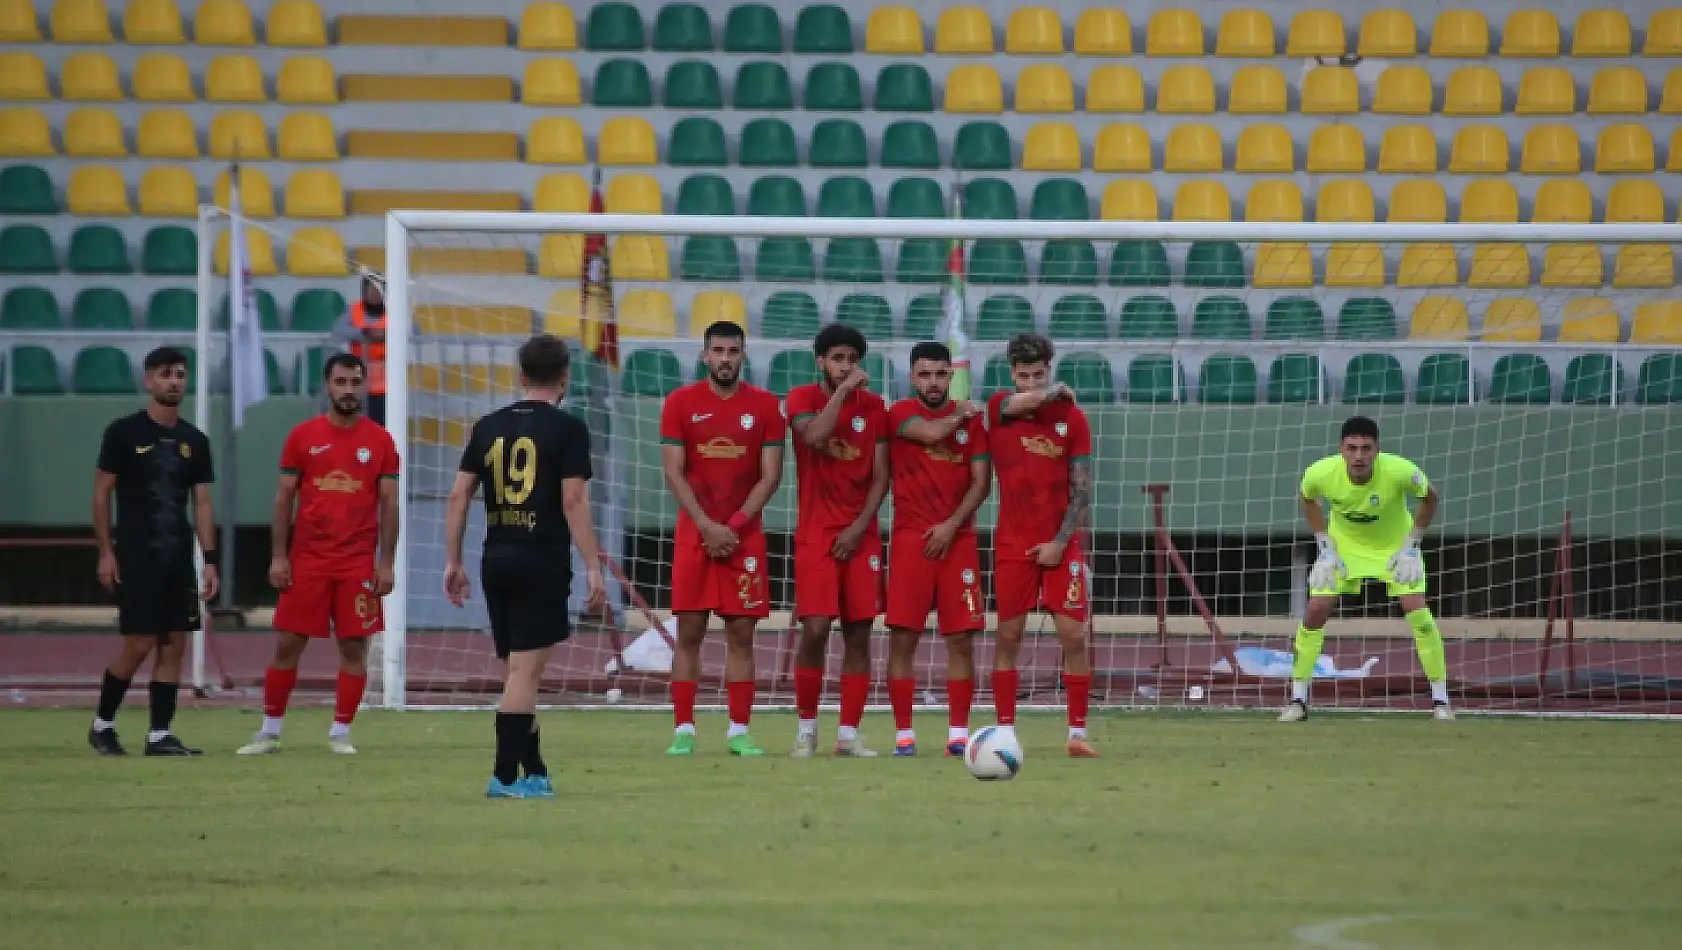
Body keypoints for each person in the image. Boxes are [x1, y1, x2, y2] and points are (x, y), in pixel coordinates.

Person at [443, 335, 606, 798]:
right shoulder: (568, 429)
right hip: (541, 559)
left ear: (520, 376)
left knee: (516, 670)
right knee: (524, 675)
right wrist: (593, 566)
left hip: (496, 557)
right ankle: (505, 776)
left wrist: (453, 560)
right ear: (565, 376)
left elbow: (458, 495)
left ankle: (534, 769)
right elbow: (572, 499)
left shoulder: (487, 426)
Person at [238, 353, 399, 756]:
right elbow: (283, 500)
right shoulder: (302, 436)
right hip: (308, 559)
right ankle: (269, 730)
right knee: (288, 643)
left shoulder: (380, 440)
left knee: (354, 647)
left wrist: (385, 563)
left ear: (365, 386)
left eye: (355, 382)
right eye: (340, 382)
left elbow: (390, 505)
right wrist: (279, 556)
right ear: (328, 386)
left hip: (357, 561)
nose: (348, 390)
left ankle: (340, 733)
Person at [659, 321, 785, 756]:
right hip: (695, 533)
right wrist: (707, 525)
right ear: (704, 355)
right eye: (718, 350)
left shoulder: (766, 406)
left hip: (743, 537)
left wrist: (732, 526)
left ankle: (738, 730)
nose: (726, 358)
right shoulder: (679, 403)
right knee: (689, 632)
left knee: (741, 634)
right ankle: (684, 729)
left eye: (733, 350)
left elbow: (771, 476)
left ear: (744, 355)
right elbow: (673, 472)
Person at [89, 346, 218, 756]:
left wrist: (210, 560)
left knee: (174, 641)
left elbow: (201, 504)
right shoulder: (123, 433)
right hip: (137, 553)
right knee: (139, 643)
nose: (174, 381)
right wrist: (106, 552)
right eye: (165, 374)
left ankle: (159, 734)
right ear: (148, 381)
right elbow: (100, 494)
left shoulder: (194, 441)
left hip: (177, 555)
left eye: (180, 374)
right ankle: (102, 724)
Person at [1285, 416, 1452, 722]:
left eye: (1366, 448)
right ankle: (1298, 699)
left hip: (1394, 549)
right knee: (1316, 608)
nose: (1359, 456)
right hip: (1344, 549)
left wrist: (1412, 545)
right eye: (1352, 448)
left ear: (1377, 450)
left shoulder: (1401, 471)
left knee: (1417, 611)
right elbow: (1308, 499)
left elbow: (1430, 498)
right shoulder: (1320, 473)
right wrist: (1324, 544)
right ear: (1341, 449)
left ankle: (1441, 702)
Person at [986, 334, 1097, 758]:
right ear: (1012, 375)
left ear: (1049, 368)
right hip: (1013, 543)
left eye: (1039, 374)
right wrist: (1048, 392)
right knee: (1008, 637)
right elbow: (1020, 403)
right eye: (1023, 375)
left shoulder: (1072, 417)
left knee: (1073, 635)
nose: (1031, 382)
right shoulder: (1000, 409)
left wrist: (1058, 542)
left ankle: (1077, 732)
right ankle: (1004, 732)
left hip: (1060, 545)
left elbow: (1083, 491)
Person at [784, 325, 890, 758]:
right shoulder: (801, 399)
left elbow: (881, 477)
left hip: (860, 534)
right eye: (837, 358)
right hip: (815, 533)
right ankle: (806, 730)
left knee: (859, 633)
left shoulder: (877, 407)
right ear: (821, 361)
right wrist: (843, 393)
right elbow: (814, 438)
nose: (845, 366)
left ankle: (848, 734)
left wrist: (858, 528)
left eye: (851, 359)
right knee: (814, 629)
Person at [883, 342, 990, 757]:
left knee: (961, 640)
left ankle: (958, 735)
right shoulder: (900, 414)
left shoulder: (973, 423)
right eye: (924, 374)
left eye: (940, 374)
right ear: (913, 377)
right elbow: (929, 433)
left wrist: (951, 524)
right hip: (911, 540)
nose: (932, 382)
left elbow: (981, 483)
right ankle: (904, 736)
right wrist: (960, 413)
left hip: (958, 539)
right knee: (903, 639)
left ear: (951, 376)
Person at [331, 275, 386, 426]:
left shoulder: (396, 310)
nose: (375, 293)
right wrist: (365, 333)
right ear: (364, 291)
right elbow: (337, 331)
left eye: (378, 289)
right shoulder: (354, 310)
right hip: (359, 381)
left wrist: (388, 334)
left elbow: (415, 331)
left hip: (389, 385)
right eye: (371, 289)